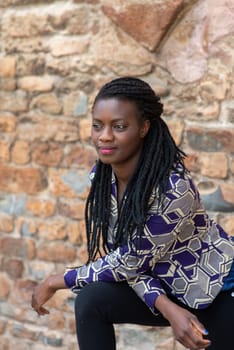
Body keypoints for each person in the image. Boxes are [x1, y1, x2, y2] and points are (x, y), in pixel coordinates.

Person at [31, 77, 234, 350]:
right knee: (91, 300)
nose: (104, 136)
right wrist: (168, 309)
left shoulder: (174, 189)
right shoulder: (102, 180)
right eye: (97, 125)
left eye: (119, 126)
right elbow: (128, 262)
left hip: (217, 290)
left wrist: (56, 281)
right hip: (167, 290)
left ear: (143, 127)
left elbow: (128, 260)